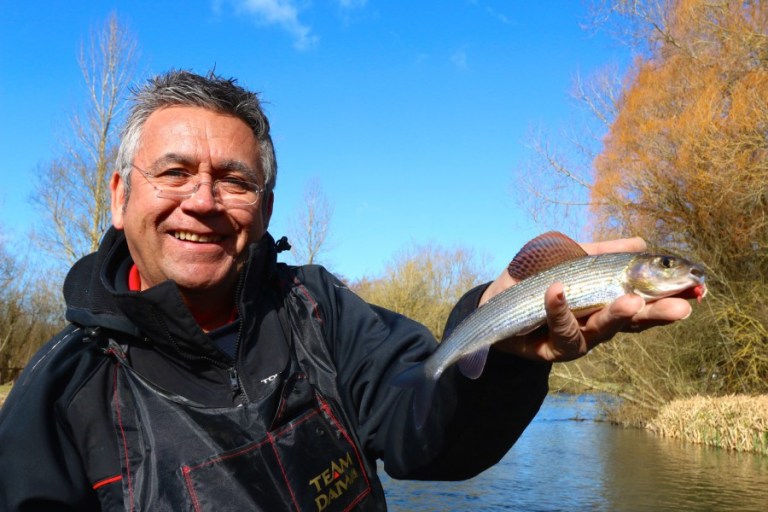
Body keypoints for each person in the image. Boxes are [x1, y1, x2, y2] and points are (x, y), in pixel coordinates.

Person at [0, 70, 693, 511]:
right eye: (174, 173)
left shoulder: (318, 309)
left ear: (266, 209)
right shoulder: (57, 400)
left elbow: (430, 436)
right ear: (120, 196)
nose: (203, 202)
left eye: (235, 181)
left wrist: (499, 346)